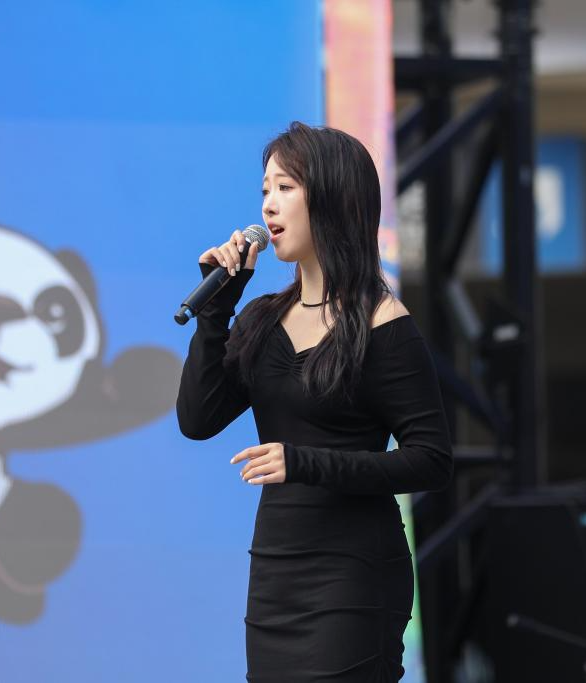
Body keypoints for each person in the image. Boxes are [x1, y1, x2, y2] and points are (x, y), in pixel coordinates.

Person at [176, 121, 454, 682]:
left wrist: (304, 462)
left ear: (330, 196)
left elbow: (431, 459)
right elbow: (198, 419)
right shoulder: (262, 320)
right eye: (265, 190)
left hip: (353, 572)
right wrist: (218, 309)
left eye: (285, 187)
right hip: (276, 570)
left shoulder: (382, 323)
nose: (268, 205)